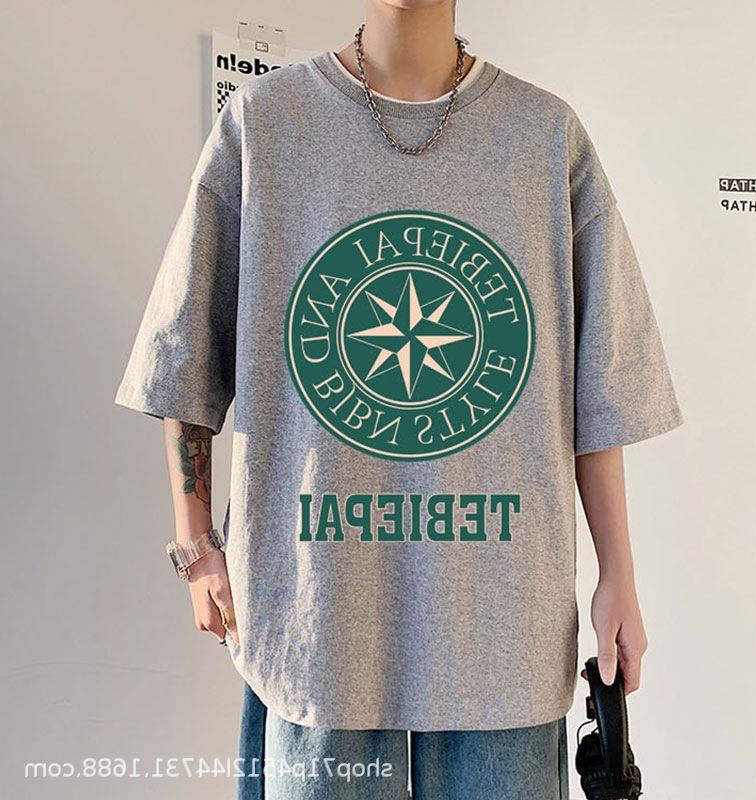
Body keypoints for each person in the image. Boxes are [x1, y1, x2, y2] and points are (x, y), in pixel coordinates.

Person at [114, 1, 683, 797]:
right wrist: (195, 546)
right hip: (318, 617)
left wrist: (619, 572)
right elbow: (183, 353)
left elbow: (599, 384)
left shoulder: (545, 137)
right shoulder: (265, 125)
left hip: (501, 627)